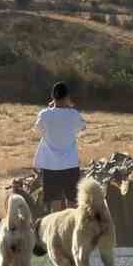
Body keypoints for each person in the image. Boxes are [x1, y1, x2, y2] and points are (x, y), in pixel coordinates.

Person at [35, 82, 86, 213]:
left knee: (55, 206)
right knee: (73, 204)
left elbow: (38, 129)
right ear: (67, 96)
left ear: (52, 97)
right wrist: (69, 108)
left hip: (51, 166)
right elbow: (82, 128)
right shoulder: (73, 114)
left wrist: (50, 109)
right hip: (70, 164)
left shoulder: (44, 115)